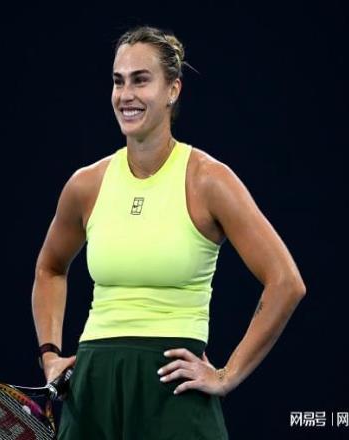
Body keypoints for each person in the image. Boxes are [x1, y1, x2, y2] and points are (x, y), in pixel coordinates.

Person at [32, 25, 306, 439]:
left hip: (172, 390)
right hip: (92, 389)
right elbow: (49, 269)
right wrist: (50, 356)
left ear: (173, 90)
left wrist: (227, 374)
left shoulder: (209, 180)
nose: (126, 95)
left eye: (141, 80)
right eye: (118, 81)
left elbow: (286, 282)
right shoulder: (86, 185)